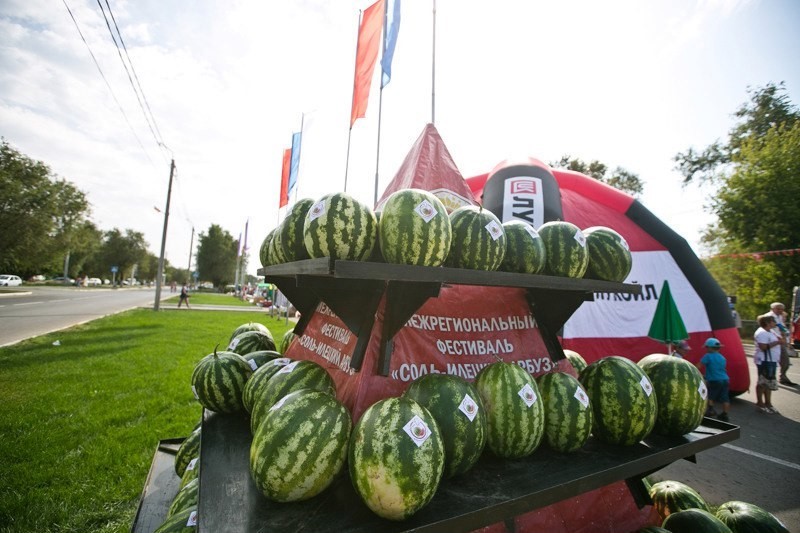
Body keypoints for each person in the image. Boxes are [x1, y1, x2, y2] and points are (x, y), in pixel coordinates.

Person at [754, 314, 782, 413]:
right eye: (773, 321)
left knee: (769, 382)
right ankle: (760, 402)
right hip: (764, 360)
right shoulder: (761, 333)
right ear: (767, 323)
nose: (775, 322)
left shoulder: (771, 331)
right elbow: (763, 347)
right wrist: (778, 343)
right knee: (762, 382)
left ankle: (768, 403)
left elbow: (780, 339)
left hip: (772, 360)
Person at [697, 337, 730, 422]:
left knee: (710, 395)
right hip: (725, 379)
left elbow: (699, 365)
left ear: (710, 348)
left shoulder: (708, 356)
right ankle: (725, 414)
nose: (706, 349)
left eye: (707, 347)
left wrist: (694, 370)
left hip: (714, 380)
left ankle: (710, 410)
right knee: (725, 397)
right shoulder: (722, 358)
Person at [767, 302, 795, 385]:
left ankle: (782, 377)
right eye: (778, 309)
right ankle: (770, 378)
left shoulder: (780, 316)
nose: (780, 310)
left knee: (785, 361)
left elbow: (783, 328)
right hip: (773, 341)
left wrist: (786, 338)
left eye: (782, 309)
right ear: (773, 308)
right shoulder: (769, 316)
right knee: (772, 361)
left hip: (781, 341)